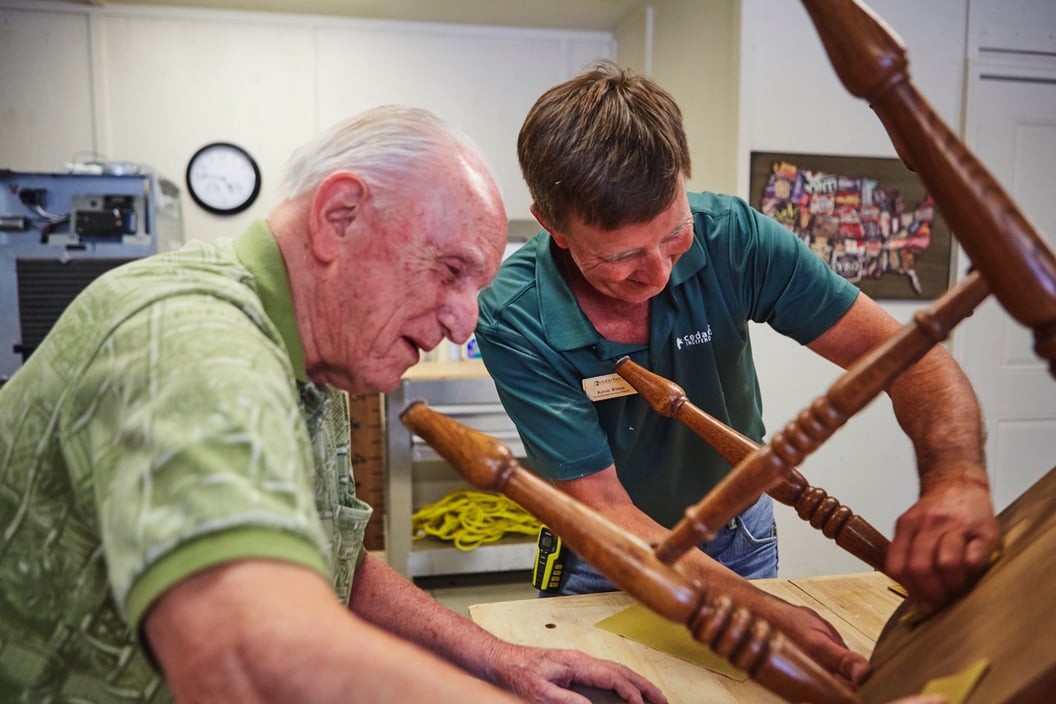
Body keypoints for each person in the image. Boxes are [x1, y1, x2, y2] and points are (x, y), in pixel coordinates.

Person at [0, 106, 666, 704]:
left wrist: (499, 660)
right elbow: (248, 655)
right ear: (338, 216)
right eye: (450, 270)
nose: (466, 324)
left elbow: (336, 565)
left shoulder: (316, 361)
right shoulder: (191, 340)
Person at [474, 61, 1001, 687]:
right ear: (551, 224)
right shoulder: (516, 314)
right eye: (620, 258)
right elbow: (606, 509)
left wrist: (955, 478)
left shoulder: (734, 240)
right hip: (603, 559)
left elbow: (910, 357)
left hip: (737, 538)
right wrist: (757, 611)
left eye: (674, 237)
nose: (659, 275)